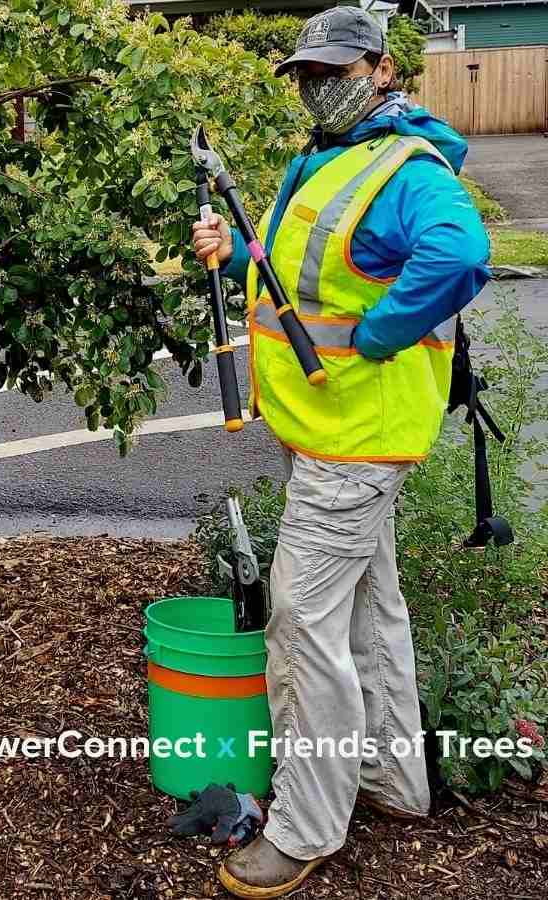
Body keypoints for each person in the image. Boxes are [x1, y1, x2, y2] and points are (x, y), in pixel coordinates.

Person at [191, 8, 489, 898]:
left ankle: (304, 826)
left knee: (302, 628)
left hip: (356, 445)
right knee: (369, 612)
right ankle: (396, 780)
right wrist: (235, 250)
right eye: (306, 71)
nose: (317, 82)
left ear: (381, 68)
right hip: (329, 434)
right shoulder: (323, 161)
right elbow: (298, 274)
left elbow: (462, 252)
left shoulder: (406, 169)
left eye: (334, 66)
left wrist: (380, 331)